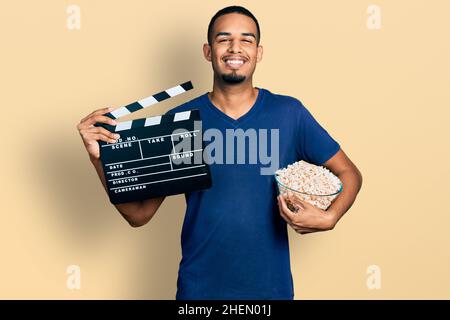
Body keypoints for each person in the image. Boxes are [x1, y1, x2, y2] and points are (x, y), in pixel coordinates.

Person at [76, 5, 363, 300]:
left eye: (246, 40)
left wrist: (331, 217)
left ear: (259, 52)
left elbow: (349, 173)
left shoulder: (289, 114)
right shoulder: (182, 122)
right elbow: (138, 214)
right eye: (224, 39)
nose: (234, 48)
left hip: (271, 291)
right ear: (208, 51)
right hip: (199, 292)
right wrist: (99, 158)